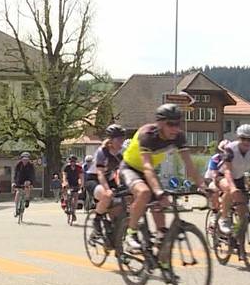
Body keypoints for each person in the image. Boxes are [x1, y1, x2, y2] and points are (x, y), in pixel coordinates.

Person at [118, 104, 203, 252]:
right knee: (145, 193)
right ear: (160, 123)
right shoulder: (147, 134)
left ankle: (164, 264)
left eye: (178, 124)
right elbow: (147, 166)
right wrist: (158, 191)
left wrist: (203, 186)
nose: (175, 128)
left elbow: (189, 165)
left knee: (162, 230)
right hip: (131, 168)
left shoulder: (178, 136)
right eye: (171, 124)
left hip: (148, 172)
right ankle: (130, 234)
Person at [89, 126, 128, 242]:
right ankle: (97, 220)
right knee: (107, 195)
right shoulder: (102, 152)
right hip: (94, 179)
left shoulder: (121, 153)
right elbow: (100, 173)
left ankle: (114, 236)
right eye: (118, 139)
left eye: (122, 139)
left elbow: (122, 170)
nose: (121, 142)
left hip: (109, 179)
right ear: (111, 140)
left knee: (119, 206)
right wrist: (107, 189)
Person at [204, 140, 227, 216]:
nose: (225, 153)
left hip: (221, 178)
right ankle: (214, 213)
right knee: (215, 191)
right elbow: (214, 175)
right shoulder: (216, 158)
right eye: (223, 150)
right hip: (210, 178)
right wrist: (217, 187)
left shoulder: (232, 159)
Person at [12, 152, 35, 216]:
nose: (25, 161)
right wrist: (14, 183)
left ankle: (27, 199)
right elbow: (15, 174)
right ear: (21, 159)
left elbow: (33, 175)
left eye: (27, 159)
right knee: (18, 192)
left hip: (27, 179)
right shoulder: (18, 165)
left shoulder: (31, 165)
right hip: (19, 180)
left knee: (27, 187)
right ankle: (16, 208)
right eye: (24, 159)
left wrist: (31, 183)